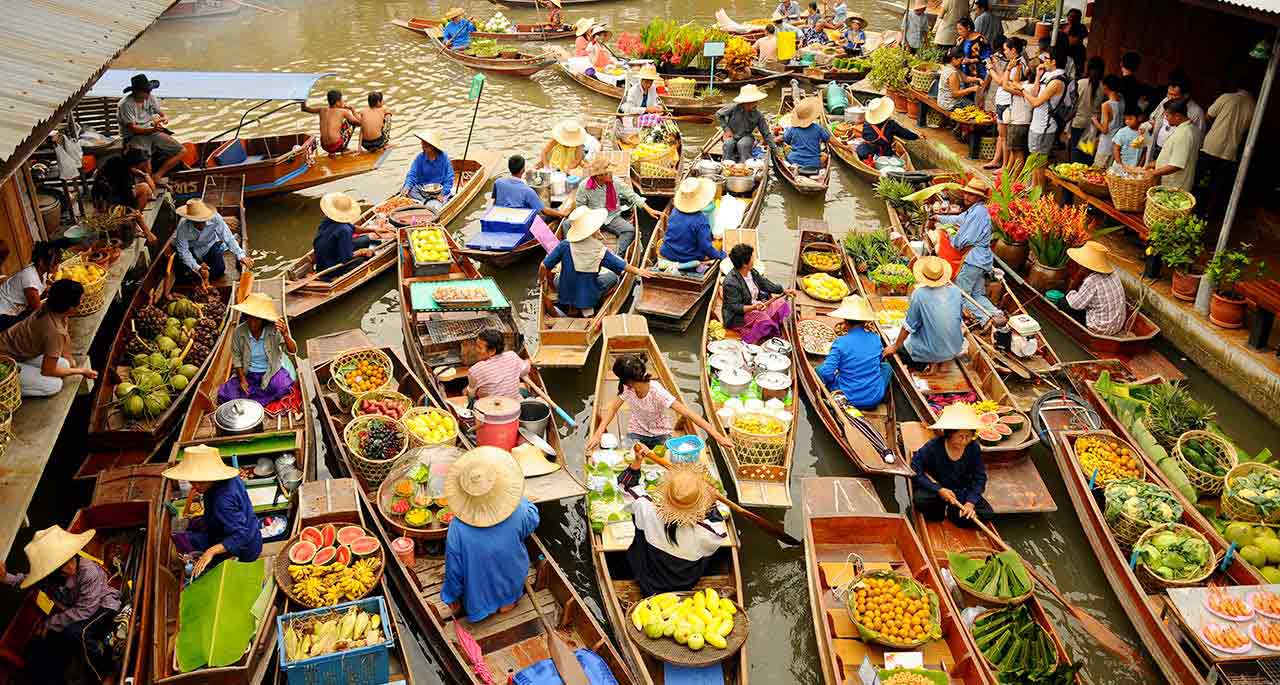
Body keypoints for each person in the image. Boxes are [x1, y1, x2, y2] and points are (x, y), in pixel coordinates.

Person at [0, 525, 121, 684]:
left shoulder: (88, 571)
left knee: (79, 633)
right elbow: (25, 580)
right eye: (62, 565)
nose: (70, 567)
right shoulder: (50, 577)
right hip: (77, 612)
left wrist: (49, 623)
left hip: (103, 606)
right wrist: (5, 577)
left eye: (70, 560)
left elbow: (85, 611)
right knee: (44, 645)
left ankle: (104, 674)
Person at [441, 447, 540, 622]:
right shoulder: (519, 508)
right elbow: (532, 520)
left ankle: (488, 609)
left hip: (479, 595)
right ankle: (507, 604)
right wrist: (521, 499)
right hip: (512, 581)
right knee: (508, 593)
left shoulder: (457, 528)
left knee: (478, 593)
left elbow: (454, 569)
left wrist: (451, 596)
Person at [615, 454, 727, 596]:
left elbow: (626, 485)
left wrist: (637, 460)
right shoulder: (708, 532)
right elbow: (718, 528)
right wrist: (711, 501)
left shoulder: (647, 508)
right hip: (685, 582)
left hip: (646, 579)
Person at [585, 354, 732, 452]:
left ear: (628, 380)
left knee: (664, 462)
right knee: (630, 458)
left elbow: (688, 413)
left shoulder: (657, 392)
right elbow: (612, 408)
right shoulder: (627, 388)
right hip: (637, 432)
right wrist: (598, 434)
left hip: (661, 434)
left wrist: (718, 436)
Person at [165, 444, 262, 578]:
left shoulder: (222, 502)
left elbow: (242, 536)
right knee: (189, 529)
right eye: (192, 482)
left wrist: (210, 552)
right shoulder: (228, 478)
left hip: (244, 547)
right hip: (230, 526)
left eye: (200, 482)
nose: (195, 486)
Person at [542, 206, 650, 316]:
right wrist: (638, 271)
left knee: (558, 279)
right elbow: (620, 265)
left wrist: (549, 283)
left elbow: (544, 266)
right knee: (613, 277)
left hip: (565, 291)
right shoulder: (599, 250)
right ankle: (587, 308)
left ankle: (573, 306)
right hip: (587, 295)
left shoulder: (564, 244)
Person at [0, 279, 95, 397]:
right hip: (4, 360)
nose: (82, 301)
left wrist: (69, 358)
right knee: (54, 385)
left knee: (65, 364)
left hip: (18, 352)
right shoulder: (54, 332)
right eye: (80, 301)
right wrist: (81, 371)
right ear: (70, 308)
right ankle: (8, 390)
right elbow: (48, 370)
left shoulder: (50, 307)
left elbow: (64, 335)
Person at [911, 403, 994, 527]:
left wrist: (970, 503)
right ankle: (945, 511)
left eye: (968, 436)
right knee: (921, 500)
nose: (965, 440)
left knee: (986, 513)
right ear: (950, 434)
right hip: (937, 492)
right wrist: (938, 489)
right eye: (960, 436)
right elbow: (915, 468)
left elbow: (980, 477)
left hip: (960, 492)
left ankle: (953, 512)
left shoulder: (973, 448)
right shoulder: (933, 447)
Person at [883, 256, 964, 374]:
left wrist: (895, 346)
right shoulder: (956, 291)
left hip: (930, 351)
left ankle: (926, 362)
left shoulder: (919, 294)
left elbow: (909, 326)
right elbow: (957, 318)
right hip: (954, 349)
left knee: (902, 348)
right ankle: (934, 360)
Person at [936, 178, 999, 324]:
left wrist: (950, 236)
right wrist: (938, 218)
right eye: (966, 193)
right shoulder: (975, 210)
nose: (966, 197)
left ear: (979, 198)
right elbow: (958, 219)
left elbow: (961, 242)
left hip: (973, 260)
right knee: (977, 295)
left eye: (971, 195)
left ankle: (986, 320)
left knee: (962, 295)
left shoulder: (978, 213)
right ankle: (997, 314)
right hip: (982, 260)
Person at [217, 292, 297, 405]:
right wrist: (242, 380)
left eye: (256, 319)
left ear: (263, 320)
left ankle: (257, 398)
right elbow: (236, 357)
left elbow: (292, 350)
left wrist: (286, 335)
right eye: (249, 318)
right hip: (248, 373)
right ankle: (260, 397)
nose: (252, 323)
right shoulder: (239, 332)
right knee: (226, 394)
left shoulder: (274, 330)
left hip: (271, 372)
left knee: (282, 387)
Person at [575, 156, 660, 257]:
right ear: (599, 176)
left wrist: (648, 209)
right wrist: (592, 227)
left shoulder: (615, 182)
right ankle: (579, 251)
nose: (611, 174)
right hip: (592, 217)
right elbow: (581, 207)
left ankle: (616, 256)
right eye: (608, 173)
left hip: (611, 217)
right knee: (567, 224)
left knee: (629, 230)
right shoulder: (584, 186)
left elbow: (631, 195)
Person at [818, 296, 891, 409]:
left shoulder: (840, 342)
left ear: (845, 322)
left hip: (847, 398)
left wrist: (834, 379)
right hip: (874, 398)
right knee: (887, 367)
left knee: (819, 369)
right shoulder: (876, 338)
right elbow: (877, 360)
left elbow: (826, 373)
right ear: (865, 322)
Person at [1200, 79, 1256, 216]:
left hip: (1211, 146)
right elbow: (1249, 129)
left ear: (1237, 87)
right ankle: (1210, 212)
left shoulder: (1227, 97)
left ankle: (1197, 209)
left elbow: (1208, 115)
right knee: (1218, 184)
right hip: (1231, 151)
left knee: (1202, 180)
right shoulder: (1254, 106)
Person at [721, 242, 796, 344]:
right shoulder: (730, 282)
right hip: (738, 316)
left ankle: (768, 329)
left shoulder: (752, 272)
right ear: (744, 264)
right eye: (752, 258)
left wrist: (783, 290)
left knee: (781, 304)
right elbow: (735, 307)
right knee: (763, 319)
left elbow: (765, 284)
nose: (754, 260)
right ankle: (753, 338)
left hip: (756, 305)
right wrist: (754, 307)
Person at [116, 73, 184, 184]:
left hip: (151, 131)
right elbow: (133, 129)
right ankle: (150, 185)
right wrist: (153, 129)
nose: (149, 93)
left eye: (149, 90)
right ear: (136, 91)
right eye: (146, 91)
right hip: (134, 136)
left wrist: (163, 119)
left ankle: (158, 175)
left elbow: (161, 114)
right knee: (146, 163)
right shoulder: (125, 104)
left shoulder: (150, 97)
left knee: (181, 150)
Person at [1019, 45, 1069, 186]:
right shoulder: (1048, 76)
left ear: (1054, 61)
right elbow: (1035, 93)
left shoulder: (1056, 81)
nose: (1043, 61)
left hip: (1044, 127)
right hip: (1038, 124)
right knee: (1034, 161)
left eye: (1046, 58)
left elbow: (1035, 102)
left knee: (1039, 164)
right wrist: (1038, 76)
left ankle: (1037, 195)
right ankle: (1032, 191)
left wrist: (1022, 90)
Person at [312, 191, 389, 280]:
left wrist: (373, 229)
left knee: (365, 239)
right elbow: (346, 258)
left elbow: (353, 228)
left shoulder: (328, 219)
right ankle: (334, 276)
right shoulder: (344, 230)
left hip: (326, 256)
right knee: (366, 256)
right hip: (330, 267)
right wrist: (362, 251)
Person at [173, 198, 251, 282]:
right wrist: (198, 268)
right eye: (197, 221)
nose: (201, 224)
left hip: (210, 245)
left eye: (203, 220)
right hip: (192, 249)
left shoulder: (215, 218)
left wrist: (241, 256)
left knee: (219, 270)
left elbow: (228, 237)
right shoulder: (183, 226)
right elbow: (183, 251)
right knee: (182, 273)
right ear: (190, 219)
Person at [1060, 241, 1125, 335]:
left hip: (1100, 328)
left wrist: (1070, 291)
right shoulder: (1113, 273)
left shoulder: (1092, 281)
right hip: (1118, 324)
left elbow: (1075, 304)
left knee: (1062, 303)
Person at [660, 178, 724, 267]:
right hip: (686, 257)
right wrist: (721, 256)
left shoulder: (675, 211)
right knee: (711, 250)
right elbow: (706, 247)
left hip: (667, 252)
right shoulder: (701, 220)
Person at [0, 240, 63, 331]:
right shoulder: (29, 279)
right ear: (41, 262)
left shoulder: (41, 272)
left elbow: (44, 291)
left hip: (14, 311)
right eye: (55, 263)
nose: (58, 266)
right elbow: (38, 310)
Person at [1146, 70, 1205, 161]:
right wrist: (1149, 125)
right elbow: (1153, 117)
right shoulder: (1166, 100)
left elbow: (1198, 140)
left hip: (1175, 155)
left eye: (1174, 95)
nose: (1169, 97)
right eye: (1168, 93)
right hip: (1157, 148)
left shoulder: (1196, 112)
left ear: (1186, 95)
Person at [1145, 98, 1201, 192]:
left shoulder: (1184, 134)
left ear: (1177, 116)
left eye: (1167, 115)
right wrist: (1154, 164)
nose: (1165, 118)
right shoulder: (1191, 128)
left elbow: (1176, 165)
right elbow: (1175, 155)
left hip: (1175, 186)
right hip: (1174, 183)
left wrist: (1153, 173)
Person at [718, 85, 778, 163]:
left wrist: (774, 148)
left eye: (754, 102)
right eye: (750, 103)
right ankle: (727, 164)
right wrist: (726, 130)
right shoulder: (733, 108)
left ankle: (744, 164)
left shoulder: (758, 115)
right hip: (733, 134)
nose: (754, 104)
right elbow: (719, 114)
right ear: (744, 102)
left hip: (746, 136)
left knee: (742, 144)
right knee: (728, 144)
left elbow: (766, 134)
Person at [493, 155, 565, 220]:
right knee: (550, 214)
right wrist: (562, 214)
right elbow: (544, 211)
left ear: (509, 168)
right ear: (523, 170)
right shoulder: (527, 191)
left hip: (502, 216)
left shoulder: (498, 182)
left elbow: (495, 201)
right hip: (520, 220)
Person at [467, 329, 530, 402]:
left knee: (470, 395)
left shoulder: (475, 370)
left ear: (492, 351)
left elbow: (472, 394)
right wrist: (528, 361)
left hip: (491, 411)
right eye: (476, 345)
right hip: (515, 407)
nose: (476, 349)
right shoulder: (512, 355)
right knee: (522, 390)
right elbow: (525, 370)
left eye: (479, 347)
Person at [402, 130, 454, 212]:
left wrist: (442, 193)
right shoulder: (420, 158)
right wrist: (407, 187)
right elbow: (412, 175)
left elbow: (449, 178)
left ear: (432, 146)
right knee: (407, 190)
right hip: (423, 190)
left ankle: (427, 204)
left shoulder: (444, 158)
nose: (422, 145)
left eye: (425, 143)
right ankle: (424, 202)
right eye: (422, 143)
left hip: (438, 191)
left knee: (438, 205)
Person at [856, 96, 919, 161]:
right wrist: (917, 136)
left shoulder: (867, 123)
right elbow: (905, 134)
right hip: (883, 153)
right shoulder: (891, 125)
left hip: (865, 151)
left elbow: (864, 135)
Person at [300, 89, 362, 155]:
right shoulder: (343, 112)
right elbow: (359, 123)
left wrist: (302, 98)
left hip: (324, 146)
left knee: (338, 124)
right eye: (342, 100)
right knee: (350, 122)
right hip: (336, 146)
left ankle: (332, 153)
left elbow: (304, 108)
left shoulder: (321, 110)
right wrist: (352, 109)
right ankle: (344, 149)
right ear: (337, 102)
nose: (343, 102)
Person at [1067, 57, 1104, 164]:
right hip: (1092, 125)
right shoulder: (1102, 87)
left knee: (1075, 153)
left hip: (1078, 122)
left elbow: (1072, 104)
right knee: (1086, 153)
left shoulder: (1080, 83)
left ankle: (1074, 176)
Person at [779, 97, 830, 172]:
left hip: (793, 160)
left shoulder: (792, 129)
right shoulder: (818, 128)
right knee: (825, 156)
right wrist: (845, 147)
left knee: (785, 150)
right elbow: (827, 139)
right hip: (814, 163)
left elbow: (786, 140)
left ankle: (794, 169)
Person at [1090, 74, 1124, 168]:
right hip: (1116, 143)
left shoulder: (1106, 105)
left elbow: (1105, 130)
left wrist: (1095, 121)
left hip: (1106, 144)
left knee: (1097, 170)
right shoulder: (1121, 100)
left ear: (1105, 87)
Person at [938, 47, 981, 111]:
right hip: (949, 104)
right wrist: (972, 89)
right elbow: (955, 94)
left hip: (943, 101)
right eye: (961, 60)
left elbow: (965, 78)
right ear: (953, 59)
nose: (962, 62)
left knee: (969, 102)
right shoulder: (953, 73)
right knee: (975, 108)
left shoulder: (949, 66)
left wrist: (978, 79)